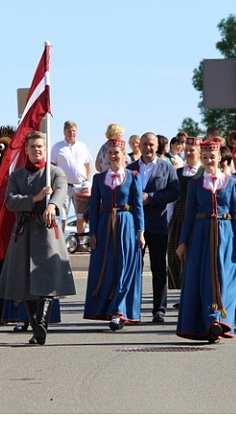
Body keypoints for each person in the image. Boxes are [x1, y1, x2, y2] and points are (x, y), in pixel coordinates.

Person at [0, 131, 76, 345]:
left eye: (40, 146)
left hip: (47, 230)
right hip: (23, 232)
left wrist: (50, 204)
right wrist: (35, 198)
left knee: (46, 279)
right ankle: (36, 327)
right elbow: (11, 201)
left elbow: (60, 190)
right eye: (32, 147)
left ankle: (41, 323)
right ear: (27, 149)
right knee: (25, 282)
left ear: (45, 148)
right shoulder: (17, 175)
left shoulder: (55, 172)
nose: (37, 150)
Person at [175, 140, 236, 342]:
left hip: (226, 234)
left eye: (211, 157)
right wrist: (183, 242)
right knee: (204, 277)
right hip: (201, 234)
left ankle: (220, 319)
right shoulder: (195, 184)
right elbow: (189, 215)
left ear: (219, 158)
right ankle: (209, 323)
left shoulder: (232, 183)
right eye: (204, 157)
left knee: (225, 278)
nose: (208, 161)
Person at [83, 138, 145, 330]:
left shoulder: (133, 176)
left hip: (126, 223)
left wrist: (140, 232)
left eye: (116, 152)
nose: (113, 156)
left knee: (124, 266)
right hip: (104, 226)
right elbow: (93, 208)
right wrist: (92, 233)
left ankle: (119, 311)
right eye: (110, 153)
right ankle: (105, 308)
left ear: (123, 154)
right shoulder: (99, 178)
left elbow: (138, 207)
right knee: (107, 267)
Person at [127, 132, 180, 323]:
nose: (147, 148)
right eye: (144, 144)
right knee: (134, 269)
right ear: (138, 146)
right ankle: (132, 310)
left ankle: (159, 310)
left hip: (158, 224)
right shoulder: (130, 168)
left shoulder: (167, 167)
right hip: (135, 227)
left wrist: (152, 199)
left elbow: (175, 192)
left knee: (158, 269)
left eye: (151, 144)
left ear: (157, 146)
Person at [167, 137, 203, 291]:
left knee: (196, 252)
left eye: (191, 150)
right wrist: (169, 218)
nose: (188, 152)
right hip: (180, 213)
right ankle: (183, 291)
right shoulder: (178, 172)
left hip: (198, 215)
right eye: (186, 150)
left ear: (199, 152)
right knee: (176, 251)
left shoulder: (203, 172)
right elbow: (172, 198)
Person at [50, 120, 92, 234]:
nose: (71, 133)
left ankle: (81, 240)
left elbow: (88, 164)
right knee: (62, 215)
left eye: (73, 131)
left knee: (81, 215)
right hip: (64, 185)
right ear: (64, 132)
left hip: (80, 185)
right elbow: (52, 166)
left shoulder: (82, 146)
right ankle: (61, 242)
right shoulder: (57, 147)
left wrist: (88, 180)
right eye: (69, 131)